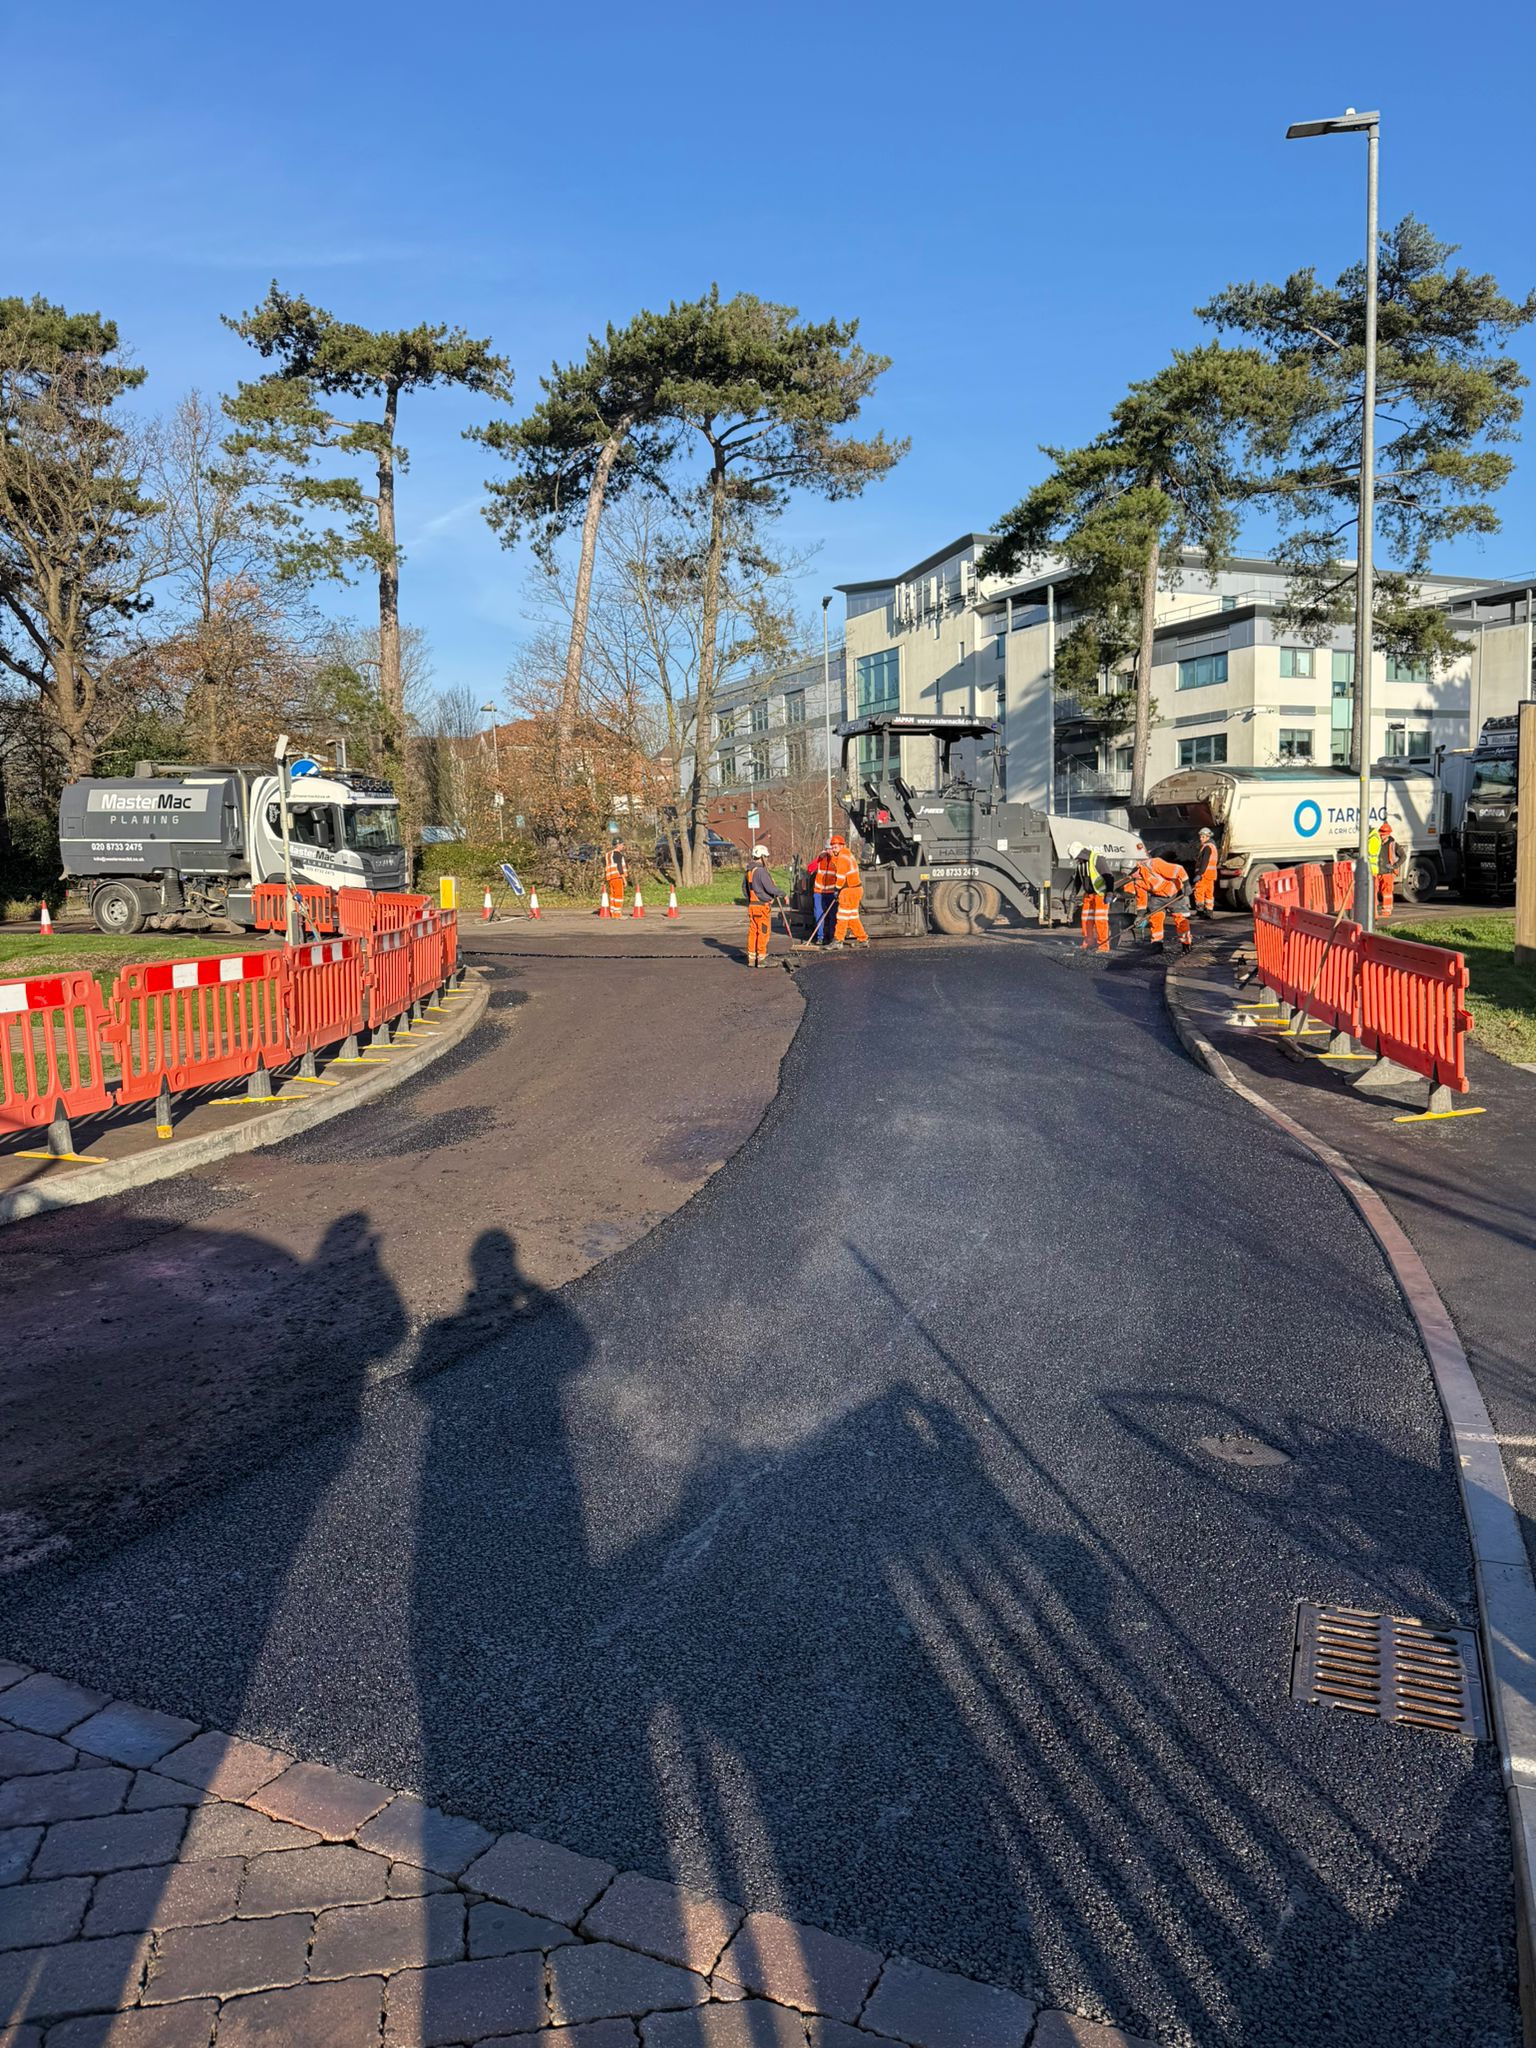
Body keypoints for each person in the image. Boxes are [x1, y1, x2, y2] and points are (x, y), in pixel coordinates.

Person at [1133, 853, 1193, 950]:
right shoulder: (1137, 881)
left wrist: (1186, 884)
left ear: (1137, 868)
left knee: (1180, 918)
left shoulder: (1154, 864)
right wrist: (1140, 915)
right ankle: (1157, 943)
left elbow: (1179, 869)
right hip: (1157, 897)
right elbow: (1141, 899)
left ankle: (1186, 943)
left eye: (1133, 873)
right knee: (1155, 918)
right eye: (1130, 875)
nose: (1133, 876)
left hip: (1175, 893)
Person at [744, 846, 785, 967]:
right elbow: (770, 888)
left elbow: (745, 890)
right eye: (766, 857)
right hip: (761, 907)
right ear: (762, 857)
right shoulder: (761, 871)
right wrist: (781, 893)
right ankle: (761, 959)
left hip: (752, 906)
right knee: (763, 932)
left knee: (753, 932)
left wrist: (752, 900)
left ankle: (751, 958)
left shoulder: (749, 871)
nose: (767, 859)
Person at [827, 834, 869, 949]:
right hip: (856, 889)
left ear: (841, 846)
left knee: (842, 916)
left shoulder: (842, 857)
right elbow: (840, 866)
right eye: (832, 847)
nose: (833, 849)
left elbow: (841, 876)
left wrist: (837, 889)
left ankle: (838, 940)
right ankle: (863, 939)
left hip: (848, 891)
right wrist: (833, 856)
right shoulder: (847, 855)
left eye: (835, 847)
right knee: (852, 917)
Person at [1071, 841, 1110, 955]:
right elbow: (1078, 880)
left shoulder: (1098, 859)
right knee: (1086, 920)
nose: (1077, 860)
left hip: (1100, 895)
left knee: (1100, 921)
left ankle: (1103, 946)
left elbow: (1108, 876)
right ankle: (1089, 942)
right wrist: (1073, 894)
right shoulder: (1081, 864)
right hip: (1088, 896)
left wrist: (1109, 893)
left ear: (1082, 854)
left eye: (1078, 857)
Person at [807, 842, 838, 945]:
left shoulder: (837, 860)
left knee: (832, 916)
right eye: (827, 849)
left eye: (831, 849)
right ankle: (820, 937)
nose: (829, 851)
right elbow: (810, 869)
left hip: (832, 893)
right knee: (819, 914)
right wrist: (819, 858)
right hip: (819, 892)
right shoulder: (820, 859)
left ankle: (831, 937)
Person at [1373, 819, 1399, 919]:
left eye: (1383, 834)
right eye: (1381, 834)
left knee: (1387, 892)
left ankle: (1386, 911)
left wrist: (1395, 866)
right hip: (1377, 871)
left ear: (1388, 834)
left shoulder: (1392, 844)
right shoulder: (1376, 842)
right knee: (1374, 891)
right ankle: (1374, 911)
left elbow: (1403, 856)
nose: (1381, 836)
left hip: (1387, 872)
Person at [1192, 828, 1219, 918]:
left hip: (1204, 875)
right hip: (1211, 874)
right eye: (1200, 836)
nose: (1201, 838)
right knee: (1209, 893)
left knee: (1199, 891)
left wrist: (1199, 874)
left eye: (1203, 837)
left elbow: (1205, 862)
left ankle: (1200, 912)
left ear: (1208, 837)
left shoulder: (1207, 847)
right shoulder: (1212, 847)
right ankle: (1209, 912)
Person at [604, 839, 627, 915]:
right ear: (618, 845)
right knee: (618, 895)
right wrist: (624, 879)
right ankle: (617, 913)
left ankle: (613, 912)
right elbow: (619, 867)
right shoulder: (618, 854)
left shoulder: (608, 854)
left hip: (610, 877)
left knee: (612, 895)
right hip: (617, 877)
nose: (623, 846)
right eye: (622, 844)